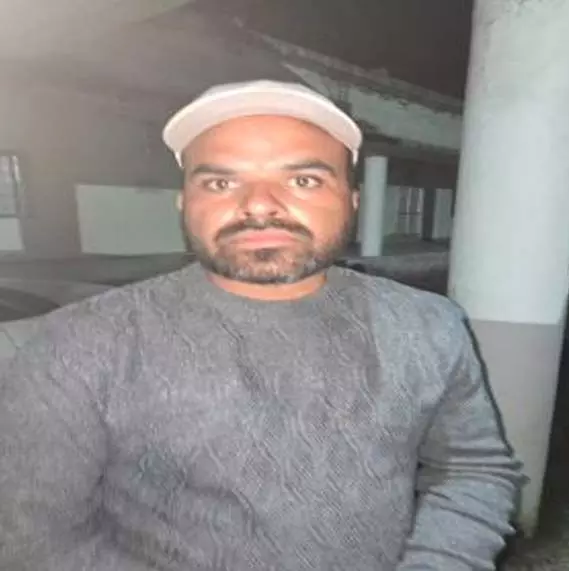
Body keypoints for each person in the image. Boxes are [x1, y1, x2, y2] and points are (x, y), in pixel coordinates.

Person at [0, 80, 522, 570]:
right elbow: (36, 539)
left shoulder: (427, 325)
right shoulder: (78, 344)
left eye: (303, 180)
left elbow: (472, 470)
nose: (258, 205)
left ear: (352, 201)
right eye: (222, 181)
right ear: (185, 203)